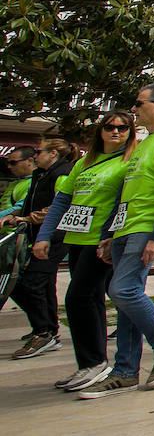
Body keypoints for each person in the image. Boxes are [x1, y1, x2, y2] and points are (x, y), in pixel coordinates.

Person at [81, 83, 154, 398]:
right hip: (124, 228)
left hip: (146, 228)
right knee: (125, 299)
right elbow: (124, 191)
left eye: (139, 103)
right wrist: (108, 233)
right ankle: (125, 371)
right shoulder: (143, 144)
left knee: (122, 289)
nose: (134, 109)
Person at [32, 114, 135, 389]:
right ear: (100, 131)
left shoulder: (130, 162)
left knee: (77, 298)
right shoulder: (84, 162)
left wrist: (111, 236)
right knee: (91, 300)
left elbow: (127, 201)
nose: (116, 132)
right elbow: (63, 200)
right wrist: (45, 236)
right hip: (75, 238)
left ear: (130, 132)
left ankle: (94, 363)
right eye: (110, 127)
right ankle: (92, 363)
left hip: (101, 241)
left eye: (122, 127)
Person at [6, 137, 78, 359]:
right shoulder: (40, 175)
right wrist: (17, 217)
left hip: (55, 237)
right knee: (43, 284)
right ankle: (49, 331)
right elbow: (32, 202)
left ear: (53, 153)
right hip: (38, 235)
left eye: (39, 151)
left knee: (26, 283)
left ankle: (44, 331)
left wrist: (28, 218)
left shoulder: (62, 174)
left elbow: (59, 205)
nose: (35, 155)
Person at [0, 147, 36, 217]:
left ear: (30, 161)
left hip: (17, 226)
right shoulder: (16, 182)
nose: (9, 166)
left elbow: (20, 208)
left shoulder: (35, 182)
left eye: (13, 163)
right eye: (7, 163)